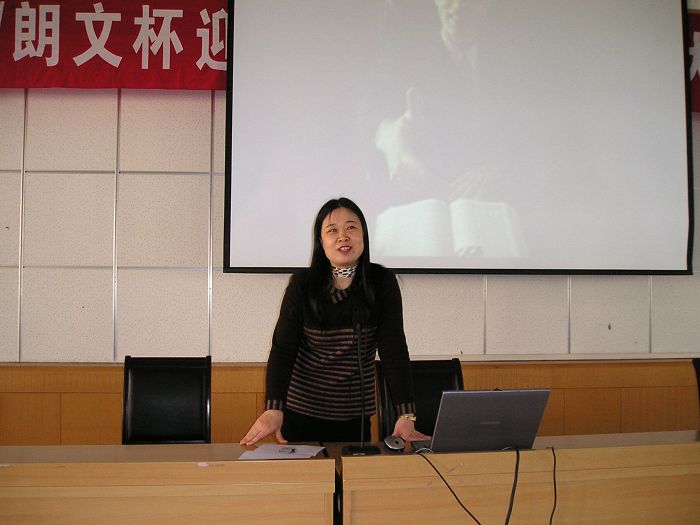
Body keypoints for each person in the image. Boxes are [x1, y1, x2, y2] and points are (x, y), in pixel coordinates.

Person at [240, 197, 429, 445]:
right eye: (332, 230)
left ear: (364, 236)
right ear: (321, 242)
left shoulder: (382, 283)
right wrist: (274, 408)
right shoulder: (302, 285)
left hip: (354, 419)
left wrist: (406, 415)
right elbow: (283, 349)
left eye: (351, 227)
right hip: (301, 413)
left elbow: (394, 350)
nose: (343, 236)